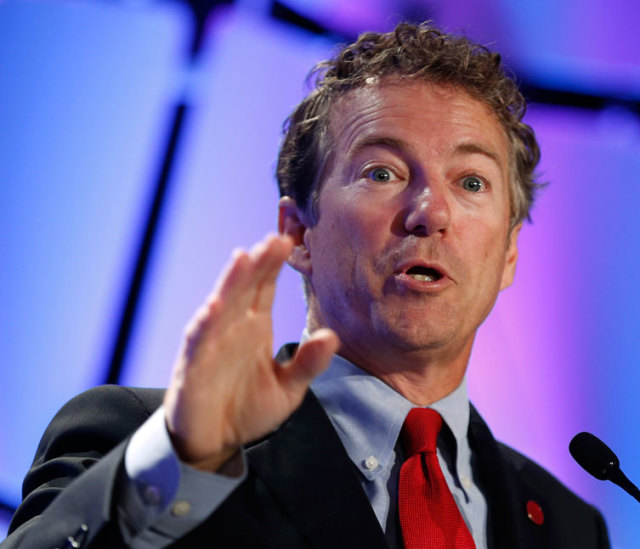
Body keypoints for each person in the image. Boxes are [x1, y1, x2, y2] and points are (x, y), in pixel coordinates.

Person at [3, 22, 609, 548]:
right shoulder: (143, 443)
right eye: (382, 171)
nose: (431, 210)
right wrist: (183, 456)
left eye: (471, 182)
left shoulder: (569, 527)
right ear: (297, 233)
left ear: (507, 255)